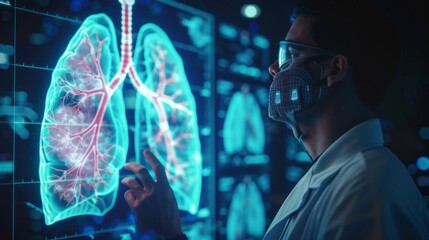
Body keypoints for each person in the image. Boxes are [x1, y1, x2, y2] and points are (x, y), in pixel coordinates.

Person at [121, 0, 429, 239]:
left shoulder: (369, 194)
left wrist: (169, 236)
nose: (273, 69)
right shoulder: (338, 174)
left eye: (289, 56)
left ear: (334, 70)